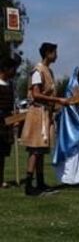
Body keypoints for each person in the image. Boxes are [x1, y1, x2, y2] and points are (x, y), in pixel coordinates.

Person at [21, 42, 69, 196]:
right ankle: (29, 185)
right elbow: (35, 94)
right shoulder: (38, 71)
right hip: (37, 114)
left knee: (41, 150)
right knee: (35, 149)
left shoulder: (49, 71)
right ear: (48, 53)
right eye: (55, 52)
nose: (57, 55)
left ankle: (40, 182)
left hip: (45, 114)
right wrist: (58, 101)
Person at [0, 57, 18, 188]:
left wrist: (15, 118)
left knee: (2, 152)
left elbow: (12, 105)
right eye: (13, 69)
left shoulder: (11, 84)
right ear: (5, 69)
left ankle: (0, 180)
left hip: (7, 121)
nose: (14, 72)